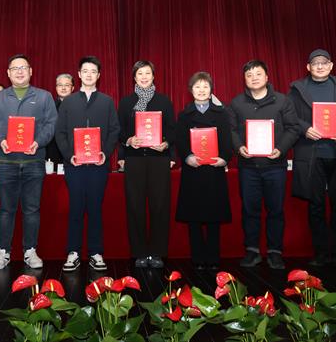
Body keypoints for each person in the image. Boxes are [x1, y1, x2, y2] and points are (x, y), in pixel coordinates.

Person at [288, 49, 336, 267]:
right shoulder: (297, 89)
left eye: (324, 63)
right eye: (315, 63)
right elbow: (289, 116)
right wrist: (305, 129)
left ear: (331, 65)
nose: (320, 66)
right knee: (316, 205)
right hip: (312, 155)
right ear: (308, 67)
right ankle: (321, 253)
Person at [0, 54, 57, 270]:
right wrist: (0, 140)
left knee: (32, 209)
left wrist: (38, 142)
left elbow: (51, 123)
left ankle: (30, 250)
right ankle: (3, 251)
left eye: (23, 67)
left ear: (31, 71)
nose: (19, 71)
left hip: (34, 160)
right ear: (8, 73)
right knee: (6, 209)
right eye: (15, 68)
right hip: (6, 161)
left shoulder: (44, 97)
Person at [228, 60, 299, 270]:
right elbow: (231, 130)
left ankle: (275, 252)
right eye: (249, 75)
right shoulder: (236, 103)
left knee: (275, 210)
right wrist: (239, 147)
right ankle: (252, 251)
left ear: (267, 77)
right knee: (250, 210)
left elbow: (293, 128)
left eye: (258, 74)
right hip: (248, 167)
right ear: (244, 79)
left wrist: (281, 149)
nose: (254, 78)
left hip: (275, 166)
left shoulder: (282, 101)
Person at [55, 57, 119, 272]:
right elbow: (60, 132)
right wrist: (69, 155)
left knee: (95, 209)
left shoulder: (107, 101)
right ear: (79, 74)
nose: (89, 74)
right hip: (74, 165)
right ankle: (73, 252)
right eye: (85, 71)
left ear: (98, 75)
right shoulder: (69, 102)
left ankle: (95, 252)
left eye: (93, 71)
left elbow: (114, 130)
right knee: (75, 207)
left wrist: (105, 153)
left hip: (98, 165)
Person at [118, 60, 175, 268]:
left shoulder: (164, 101)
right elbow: (119, 130)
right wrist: (128, 141)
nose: (144, 77)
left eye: (147, 73)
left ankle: (157, 253)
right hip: (134, 160)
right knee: (135, 206)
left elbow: (173, 129)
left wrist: (166, 143)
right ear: (134, 77)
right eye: (140, 73)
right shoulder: (126, 102)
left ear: (153, 76)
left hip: (159, 159)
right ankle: (139, 252)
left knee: (160, 206)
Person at [175, 72, 232, 270]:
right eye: (197, 87)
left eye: (205, 87)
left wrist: (224, 158)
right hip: (193, 170)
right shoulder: (184, 115)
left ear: (211, 90)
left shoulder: (222, 113)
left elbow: (227, 139)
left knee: (214, 217)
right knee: (194, 217)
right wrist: (187, 157)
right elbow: (180, 140)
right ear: (191, 90)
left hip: (214, 171)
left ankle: (213, 258)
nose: (201, 90)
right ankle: (198, 258)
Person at [46, 73, 74, 164]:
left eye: (67, 85)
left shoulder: (79, 106)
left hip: (73, 150)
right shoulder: (49, 106)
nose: (63, 88)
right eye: (60, 85)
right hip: (53, 149)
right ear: (56, 88)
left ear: (72, 88)